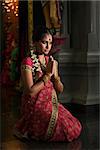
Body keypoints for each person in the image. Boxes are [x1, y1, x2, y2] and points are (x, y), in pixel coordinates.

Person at [14, 26, 82, 142]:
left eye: (50, 43)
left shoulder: (51, 62)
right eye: (44, 42)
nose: (47, 46)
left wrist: (55, 78)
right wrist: (48, 75)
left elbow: (59, 90)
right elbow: (30, 92)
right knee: (62, 129)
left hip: (50, 103)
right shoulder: (28, 62)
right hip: (34, 105)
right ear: (35, 42)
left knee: (73, 126)